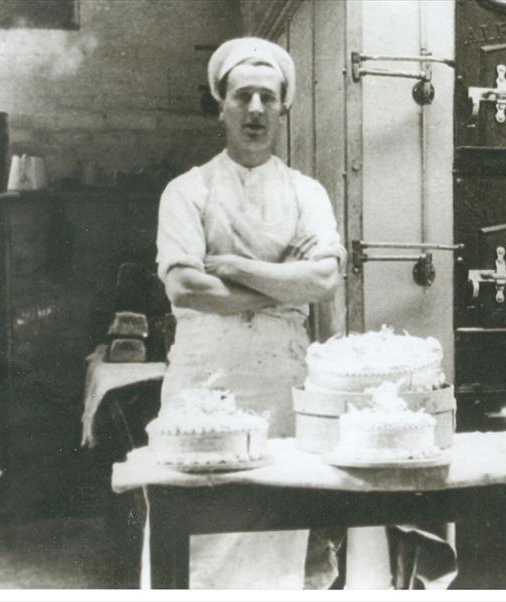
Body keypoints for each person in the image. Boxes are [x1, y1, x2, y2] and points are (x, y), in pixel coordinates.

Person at [154, 37, 345, 588]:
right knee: (199, 545)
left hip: (280, 387)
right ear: (222, 106)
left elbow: (324, 280)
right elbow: (186, 286)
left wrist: (236, 266)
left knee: (280, 537)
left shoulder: (307, 194)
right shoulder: (187, 191)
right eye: (243, 96)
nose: (255, 109)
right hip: (203, 387)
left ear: (283, 108)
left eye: (268, 97)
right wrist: (285, 283)